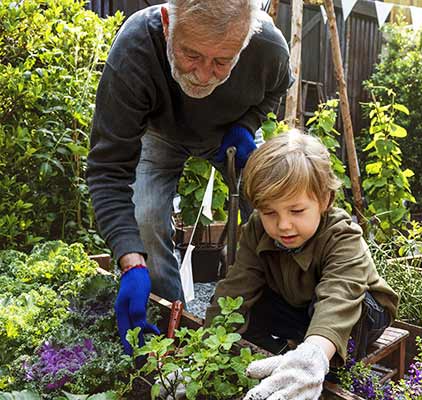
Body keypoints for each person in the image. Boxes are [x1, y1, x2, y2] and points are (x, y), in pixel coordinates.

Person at [86, 0, 293, 354]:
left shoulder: (268, 46)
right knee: (145, 222)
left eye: (221, 62)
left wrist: (246, 126)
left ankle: (275, 316)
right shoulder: (135, 48)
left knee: (276, 207)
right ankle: (170, 327)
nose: (202, 74)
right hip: (160, 134)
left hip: (230, 133)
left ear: (245, 40)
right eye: (191, 55)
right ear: (168, 23)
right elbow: (108, 168)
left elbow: (276, 89)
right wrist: (130, 258)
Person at [204, 130, 399, 400]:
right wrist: (201, 356)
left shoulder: (342, 235)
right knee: (246, 307)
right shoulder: (257, 230)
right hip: (300, 305)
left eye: (296, 211)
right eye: (270, 212)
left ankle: (317, 365)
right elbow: (235, 290)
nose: (283, 225)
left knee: (334, 315)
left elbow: (339, 296)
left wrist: (315, 354)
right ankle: (283, 356)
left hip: (360, 310)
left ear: (324, 201)